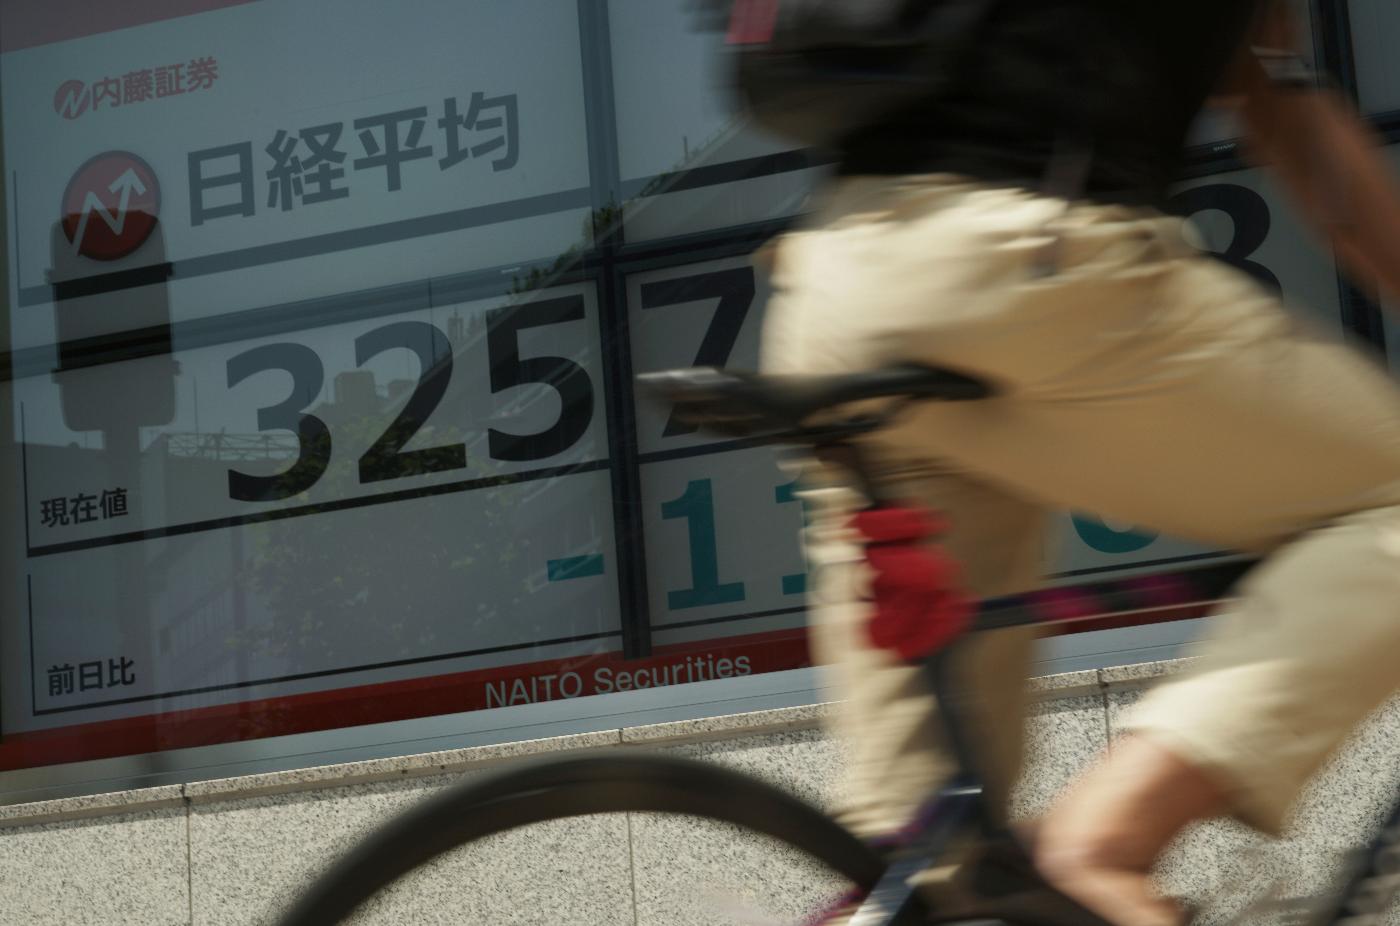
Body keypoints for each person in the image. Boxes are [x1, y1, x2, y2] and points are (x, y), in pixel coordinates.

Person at [754, 1, 1400, 923]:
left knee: (941, 877)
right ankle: (1107, 842)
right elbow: (1282, 107)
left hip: (836, 291)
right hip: (1020, 273)